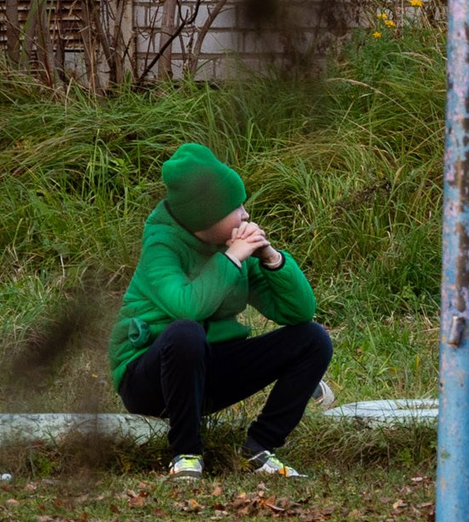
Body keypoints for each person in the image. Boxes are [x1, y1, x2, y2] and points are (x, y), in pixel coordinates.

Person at [110, 142, 332, 478]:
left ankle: (258, 449)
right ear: (207, 214)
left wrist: (273, 259)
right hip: (149, 380)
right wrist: (232, 258)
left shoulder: (235, 248)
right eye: (236, 207)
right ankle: (186, 454)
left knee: (313, 339)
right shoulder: (161, 247)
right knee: (185, 331)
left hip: (208, 371)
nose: (245, 215)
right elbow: (188, 307)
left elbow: (298, 313)